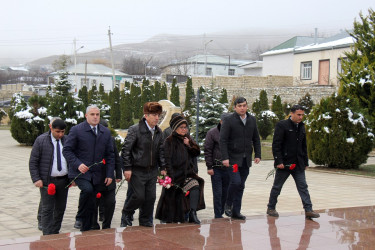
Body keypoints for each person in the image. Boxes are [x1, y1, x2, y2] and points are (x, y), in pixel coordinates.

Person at [63, 105, 115, 231]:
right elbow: (67, 150)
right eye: (92, 114)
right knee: (87, 190)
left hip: (98, 174)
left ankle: (87, 227)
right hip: (80, 172)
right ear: (86, 116)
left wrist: (109, 174)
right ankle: (80, 217)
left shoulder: (105, 132)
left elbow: (110, 155)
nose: (95, 117)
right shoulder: (77, 130)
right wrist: (78, 164)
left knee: (93, 200)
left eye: (97, 114)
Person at [266, 104, 320, 219]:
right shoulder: (282, 125)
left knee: (303, 187)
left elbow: (303, 146)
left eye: (302, 115)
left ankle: (308, 210)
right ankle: (271, 208)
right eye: (298, 114)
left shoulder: (301, 126)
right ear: (292, 114)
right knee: (277, 187)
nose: (301, 117)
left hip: (298, 164)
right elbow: (276, 145)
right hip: (284, 164)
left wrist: (305, 162)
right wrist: (278, 161)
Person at [120, 102, 166, 227]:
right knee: (138, 196)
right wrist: (127, 168)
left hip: (152, 170)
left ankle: (146, 221)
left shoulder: (159, 132)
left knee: (150, 198)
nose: (157, 118)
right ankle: (126, 213)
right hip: (137, 170)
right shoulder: (135, 130)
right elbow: (126, 150)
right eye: (154, 115)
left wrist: (163, 168)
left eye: (158, 115)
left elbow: (161, 151)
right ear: (146, 115)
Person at [155, 115, 205, 224]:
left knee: (195, 185)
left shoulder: (188, 138)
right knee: (170, 198)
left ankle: (193, 213)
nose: (184, 129)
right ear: (175, 128)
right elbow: (166, 159)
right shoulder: (169, 141)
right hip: (174, 175)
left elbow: (196, 152)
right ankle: (167, 219)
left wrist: (189, 144)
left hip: (187, 174)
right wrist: (169, 175)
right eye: (181, 127)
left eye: (185, 127)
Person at [220, 97, 261, 220]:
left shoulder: (252, 120)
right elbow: (223, 140)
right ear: (235, 107)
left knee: (241, 185)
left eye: (244, 105)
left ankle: (236, 211)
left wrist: (258, 154)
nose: (242, 108)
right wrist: (225, 157)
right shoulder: (228, 120)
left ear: (247, 106)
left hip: (245, 159)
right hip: (233, 159)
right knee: (236, 182)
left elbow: (256, 139)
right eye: (239, 106)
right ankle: (228, 203)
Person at [29, 118, 69, 235]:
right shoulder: (41, 141)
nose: (60, 134)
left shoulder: (67, 141)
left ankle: (55, 231)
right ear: (51, 128)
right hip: (47, 181)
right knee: (47, 208)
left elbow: (71, 159)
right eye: (57, 132)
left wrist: (72, 177)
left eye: (62, 132)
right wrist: (36, 179)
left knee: (60, 208)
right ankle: (47, 234)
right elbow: (33, 162)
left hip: (63, 180)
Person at [91, 119, 123, 230]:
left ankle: (106, 224)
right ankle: (93, 224)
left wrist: (119, 174)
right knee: (93, 201)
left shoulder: (110, 140)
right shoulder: (90, 140)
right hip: (94, 177)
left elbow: (116, 158)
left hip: (108, 176)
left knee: (110, 201)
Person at [204, 113, 231, 219]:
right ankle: (218, 214)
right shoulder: (212, 133)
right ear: (221, 122)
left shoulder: (232, 133)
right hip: (216, 168)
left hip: (229, 168)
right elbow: (208, 150)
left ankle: (224, 210)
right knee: (218, 192)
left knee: (227, 191)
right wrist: (209, 167)